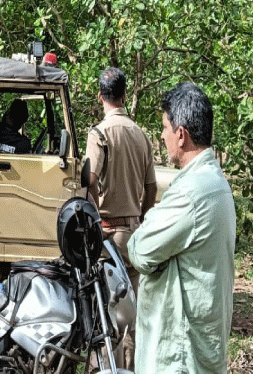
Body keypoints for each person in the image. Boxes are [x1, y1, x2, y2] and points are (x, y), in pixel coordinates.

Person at [127, 82, 236, 374]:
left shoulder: (190, 192)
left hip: (180, 352)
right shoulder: (215, 182)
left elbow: (139, 251)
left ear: (181, 134)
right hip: (201, 343)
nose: (162, 136)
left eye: (165, 127)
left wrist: (148, 221)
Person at [84, 67, 156, 371]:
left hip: (107, 236)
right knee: (131, 315)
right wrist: (141, 215)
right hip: (133, 235)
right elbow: (151, 187)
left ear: (101, 96)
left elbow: (90, 180)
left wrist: (94, 219)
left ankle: (103, 368)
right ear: (124, 95)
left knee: (103, 312)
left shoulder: (99, 134)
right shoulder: (141, 135)